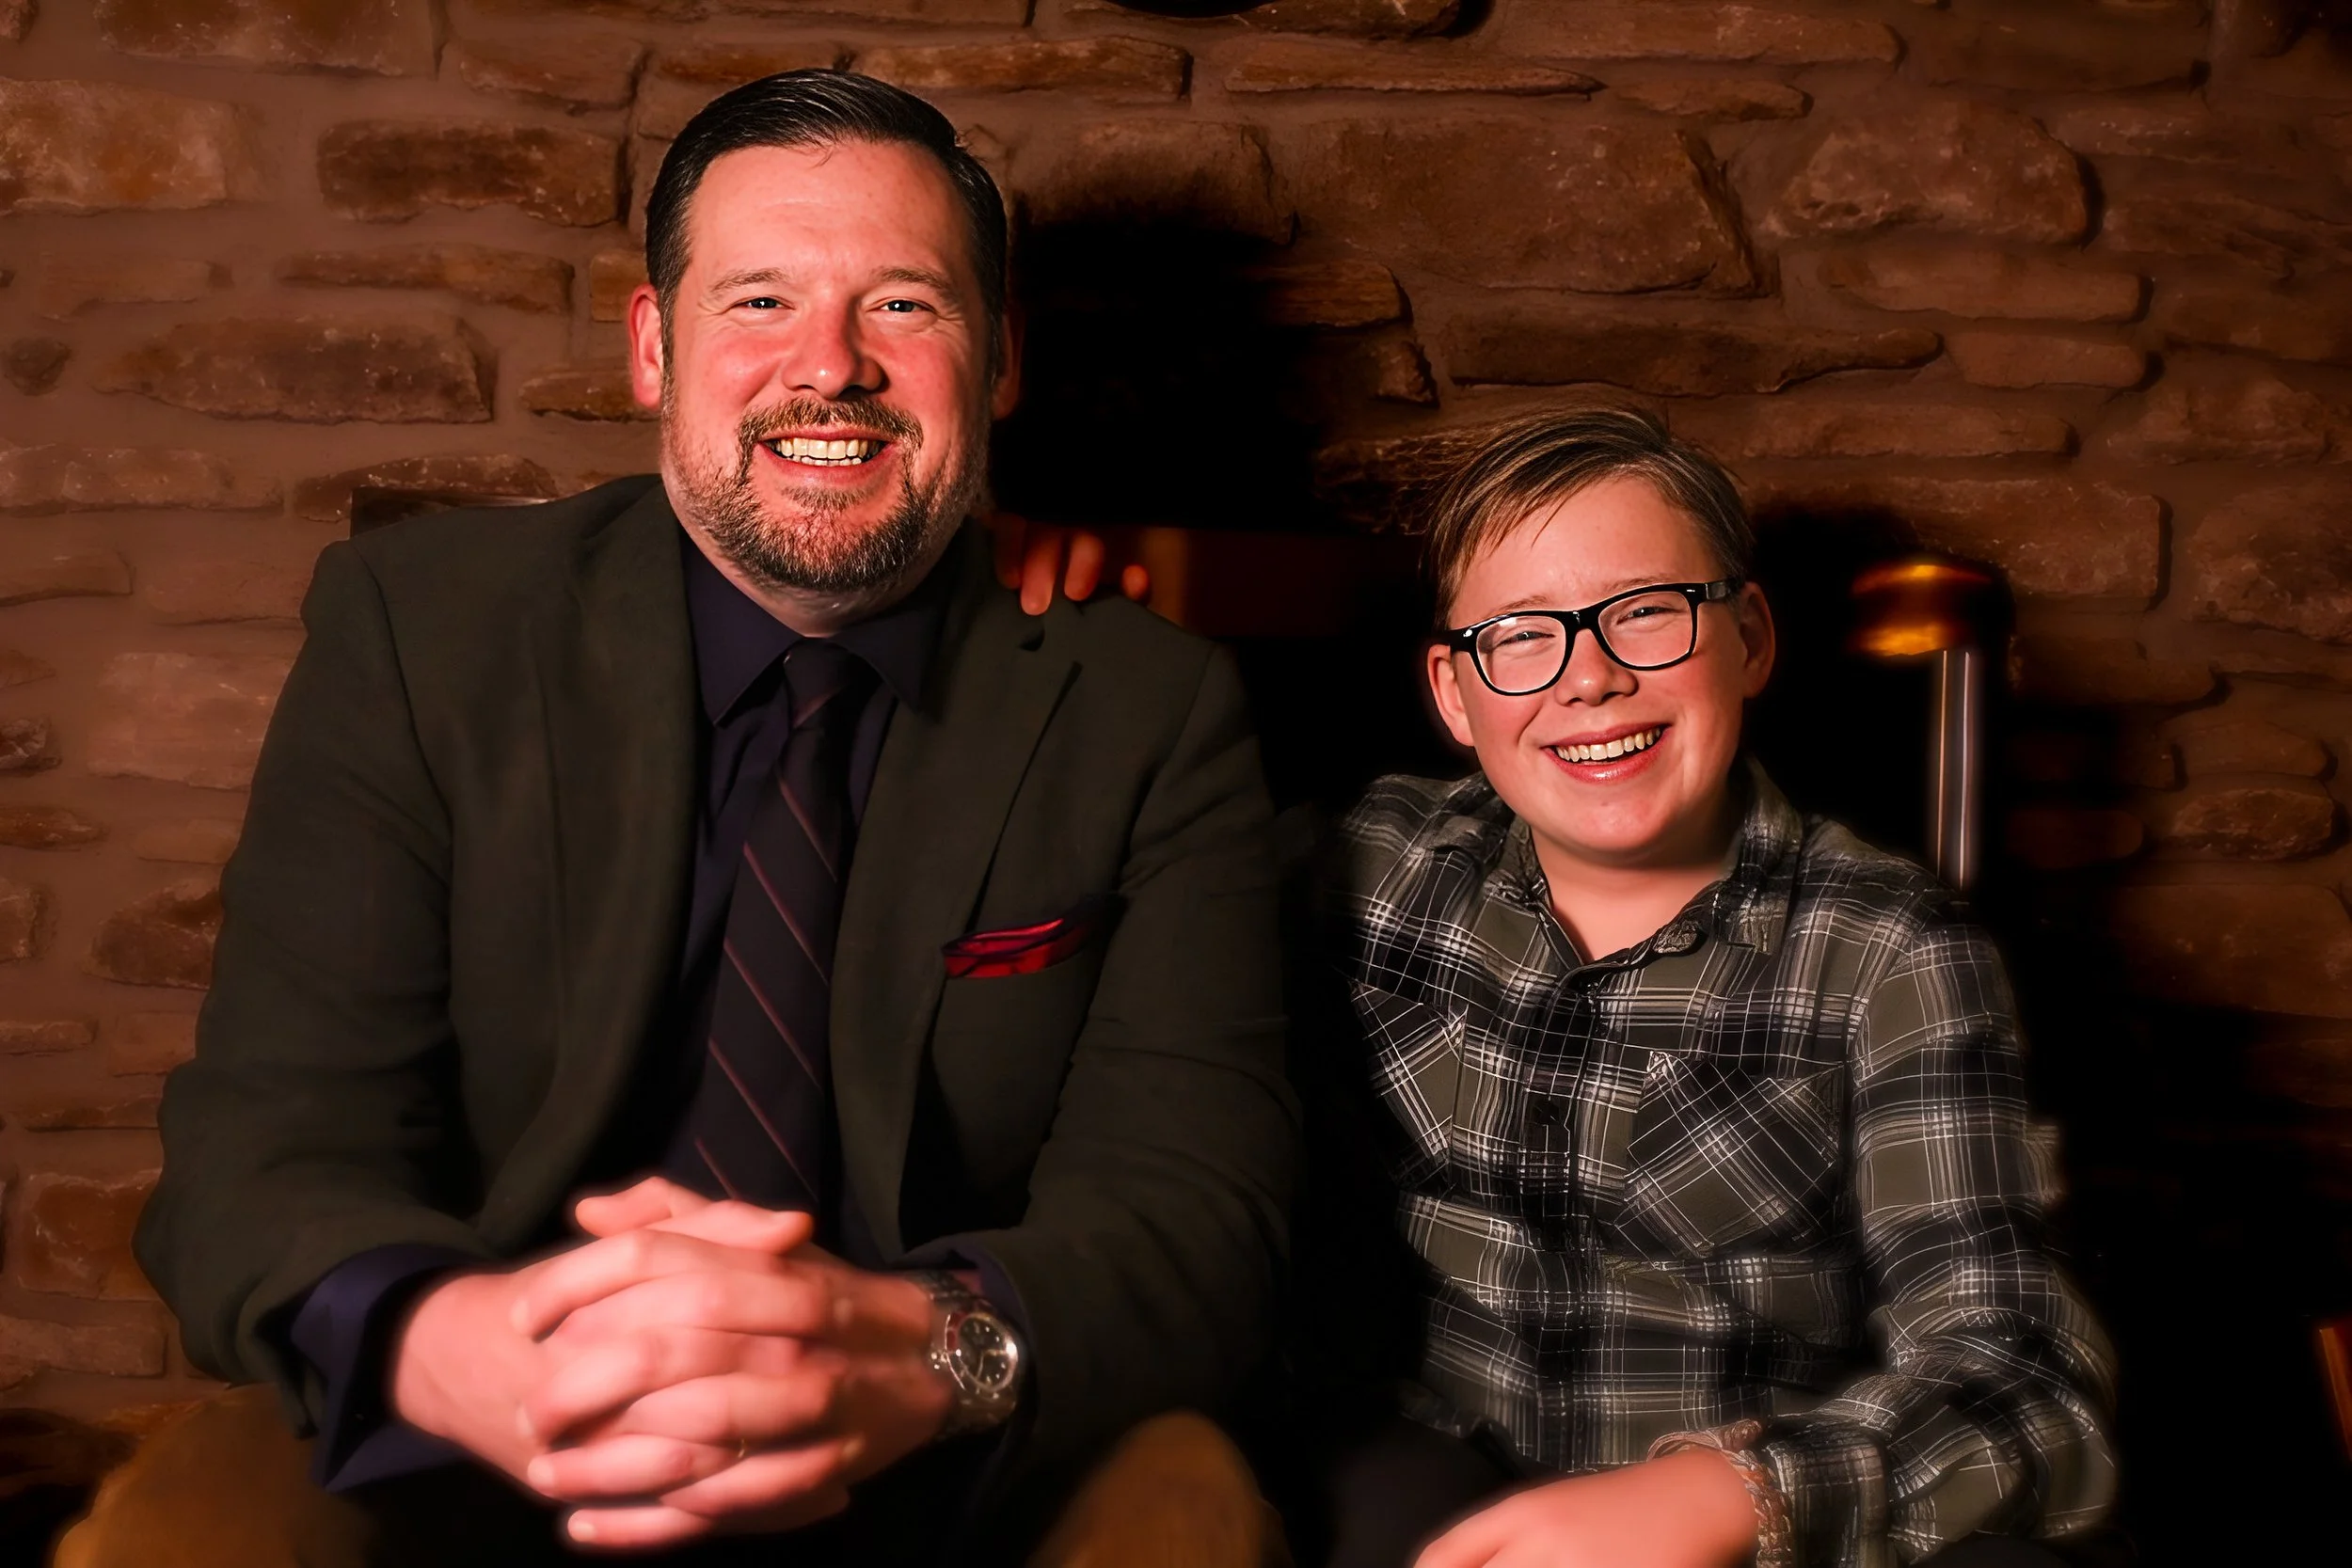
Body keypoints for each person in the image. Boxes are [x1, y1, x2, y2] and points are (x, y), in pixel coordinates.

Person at [87, 70, 1295, 1568]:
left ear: (996, 366)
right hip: (489, 1436)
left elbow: (1202, 1215)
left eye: (905, 306)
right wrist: (464, 1342)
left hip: (942, 1460)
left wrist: (914, 1349)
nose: (831, 368)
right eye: (761, 301)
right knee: (194, 1525)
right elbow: (264, 1144)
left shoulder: (1145, 708)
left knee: (1186, 1513)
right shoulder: (423, 632)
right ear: (655, 348)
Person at [1295, 409, 2118, 1568]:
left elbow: (2025, 1385)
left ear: (1747, 636)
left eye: (1645, 612)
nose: (1589, 677)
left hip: (1751, 1513)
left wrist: (1735, 1495)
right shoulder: (1375, 866)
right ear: (1453, 692)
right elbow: (1114, 889)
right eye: (1522, 635)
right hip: (1436, 1483)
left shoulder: (1888, 948)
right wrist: (1035, 592)